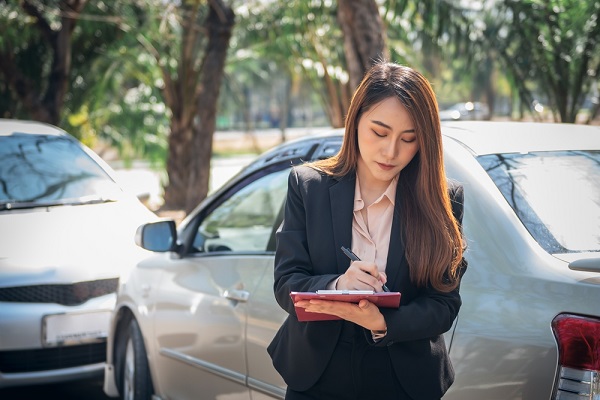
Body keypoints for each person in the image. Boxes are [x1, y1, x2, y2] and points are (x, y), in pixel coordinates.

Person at [267, 61, 468, 400]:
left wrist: (383, 323)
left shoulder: (444, 199)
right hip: (317, 376)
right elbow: (287, 282)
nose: (391, 152)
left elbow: (444, 304)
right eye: (379, 132)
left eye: (409, 139)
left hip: (403, 379)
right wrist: (337, 285)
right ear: (356, 119)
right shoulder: (308, 186)